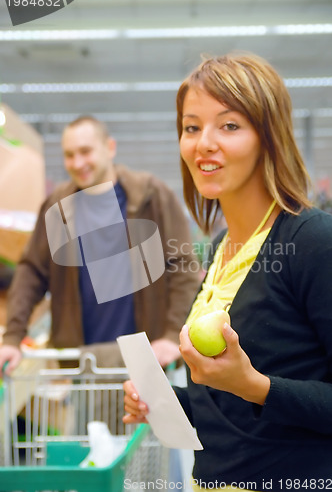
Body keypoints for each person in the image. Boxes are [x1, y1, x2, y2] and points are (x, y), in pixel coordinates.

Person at [123, 53, 332, 492]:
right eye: (191, 126)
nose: (204, 143)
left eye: (229, 125)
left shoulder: (314, 240)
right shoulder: (220, 250)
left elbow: (258, 391)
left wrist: (256, 385)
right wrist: (165, 402)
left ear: (268, 136)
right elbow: (231, 407)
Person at [0, 116, 200, 373]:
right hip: (83, 364)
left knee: (146, 413)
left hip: (150, 357)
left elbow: (182, 266)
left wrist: (173, 335)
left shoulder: (151, 195)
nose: (78, 163)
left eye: (85, 151)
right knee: (89, 415)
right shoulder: (57, 207)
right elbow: (32, 272)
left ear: (110, 148)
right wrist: (13, 337)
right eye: (69, 155)